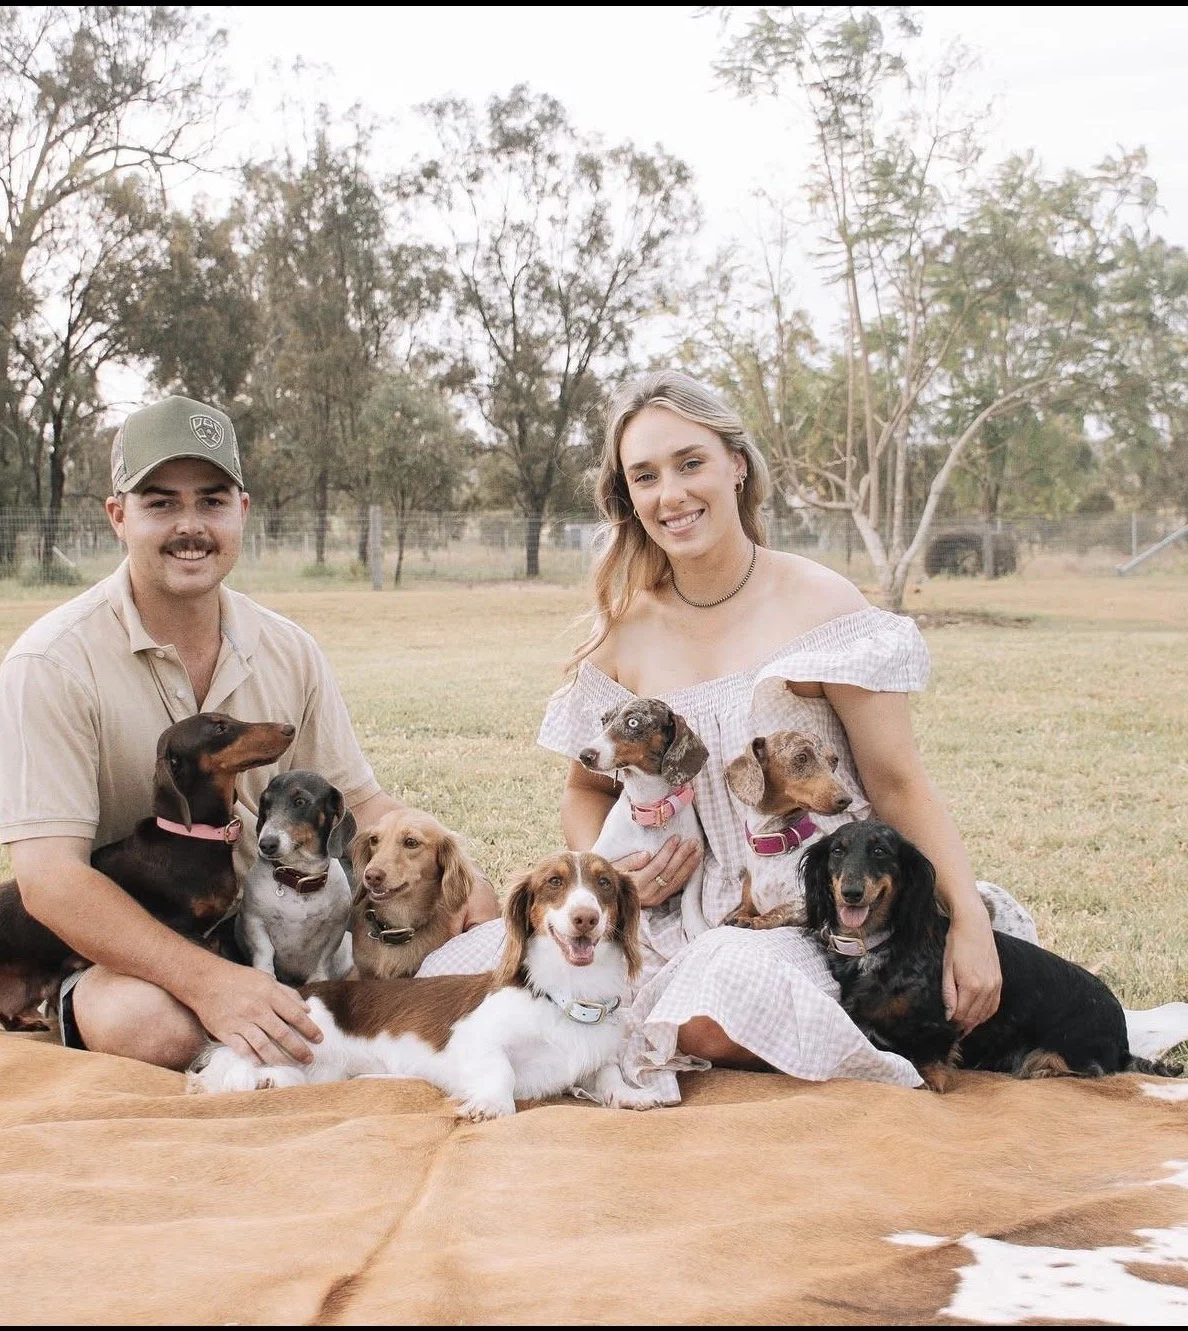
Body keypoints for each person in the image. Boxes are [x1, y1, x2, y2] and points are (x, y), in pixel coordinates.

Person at [418, 369, 1037, 1100]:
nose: (670, 495)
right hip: (671, 915)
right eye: (644, 476)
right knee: (451, 972)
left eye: (690, 463)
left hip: (811, 914)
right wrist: (614, 878)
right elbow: (585, 788)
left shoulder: (818, 601)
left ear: (736, 465)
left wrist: (965, 919)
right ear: (628, 497)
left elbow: (900, 783)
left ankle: (705, 1026)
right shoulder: (627, 630)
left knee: (712, 1006)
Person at [0, 395, 498, 1071]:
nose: (190, 525)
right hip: (145, 943)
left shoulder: (290, 649)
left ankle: (298, 1020)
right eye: (162, 502)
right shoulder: (49, 663)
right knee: (153, 1025)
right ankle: (57, 999)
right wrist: (210, 982)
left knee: (478, 940)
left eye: (212, 500)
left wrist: (464, 877)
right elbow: (50, 880)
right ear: (118, 516)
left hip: (290, 920)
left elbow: (363, 810)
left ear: (243, 511)